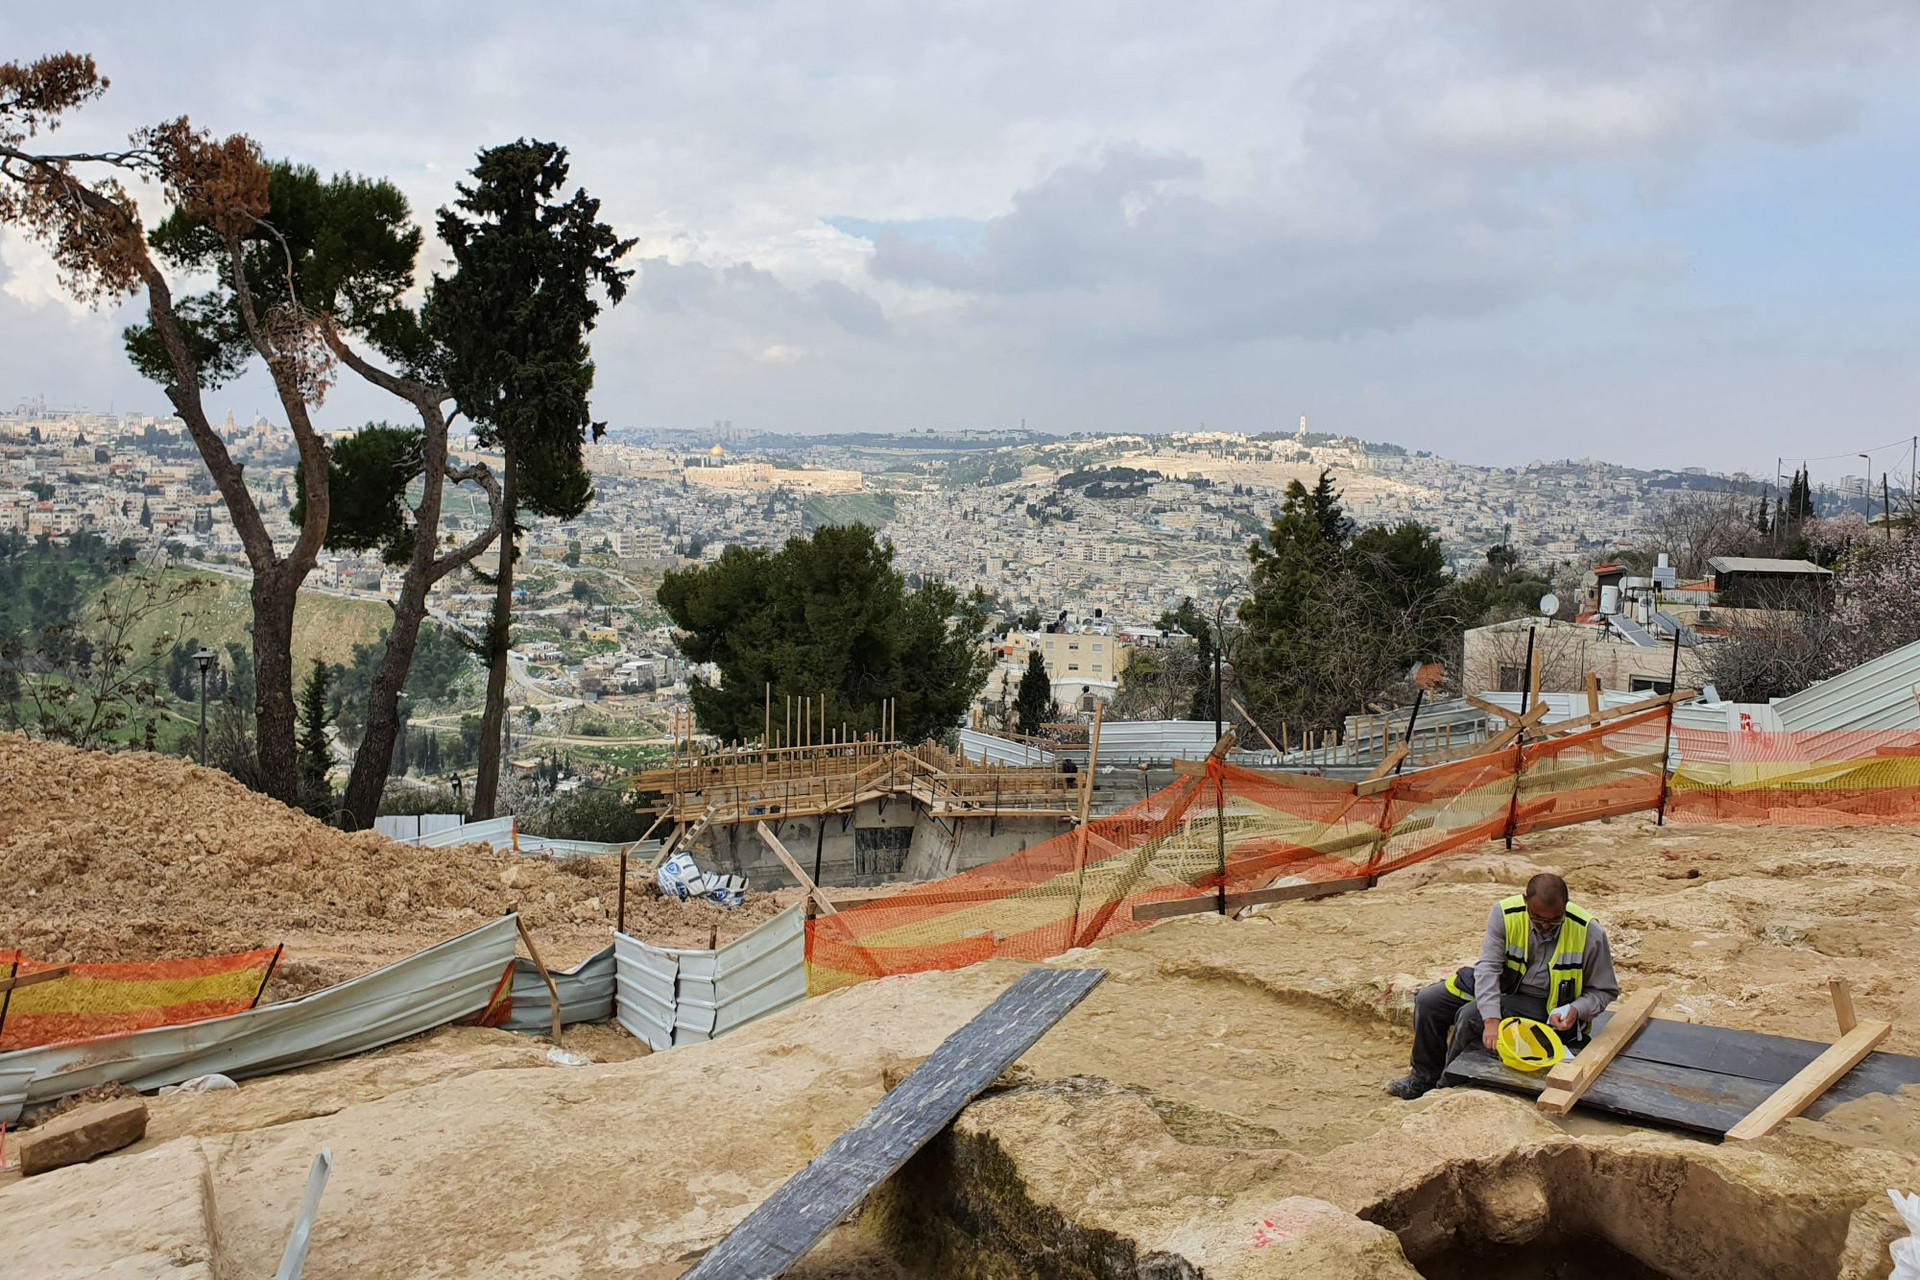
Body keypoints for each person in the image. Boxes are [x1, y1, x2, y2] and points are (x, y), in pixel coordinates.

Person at [1385, 872, 1619, 1100]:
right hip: (1506, 986)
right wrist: (1492, 1021)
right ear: (1525, 901)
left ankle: (1446, 1088)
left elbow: (1604, 990)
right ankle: (1423, 1078)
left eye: (1554, 920)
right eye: (1538, 919)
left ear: (1566, 907)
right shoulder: (1505, 914)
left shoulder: (1588, 932)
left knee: (1472, 1015)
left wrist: (1576, 1009)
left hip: (1545, 1004)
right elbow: (1488, 967)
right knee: (1429, 1001)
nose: (1546, 926)